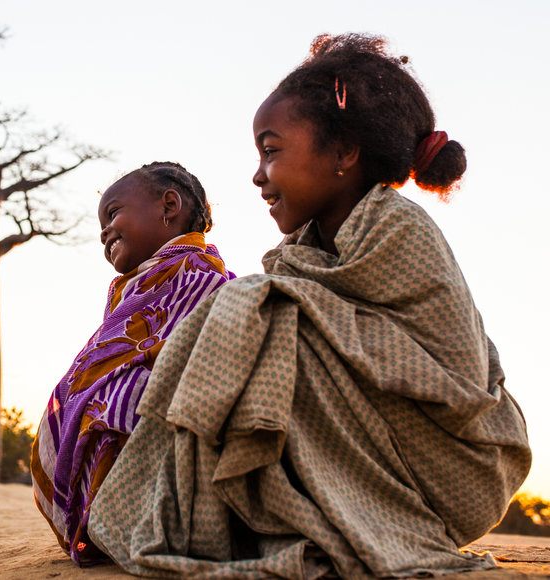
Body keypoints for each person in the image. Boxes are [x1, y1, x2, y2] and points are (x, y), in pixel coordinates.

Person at [86, 34, 531, 578]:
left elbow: (454, 386)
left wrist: (284, 309)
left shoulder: (398, 226)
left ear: (344, 152)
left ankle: (343, 523)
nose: (257, 175)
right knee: (253, 306)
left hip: (456, 466)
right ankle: (229, 517)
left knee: (258, 306)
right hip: (380, 460)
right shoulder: (304, 251)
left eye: (271, 151)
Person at [32, 162, 235, 565]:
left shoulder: (197, 273)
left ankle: (139, 518)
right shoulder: (134, 287)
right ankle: (109, 517)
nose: (103, 232)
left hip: (173, 421)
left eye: (112, 214)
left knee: (121, 400)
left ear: (169, 206)